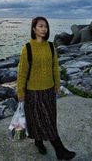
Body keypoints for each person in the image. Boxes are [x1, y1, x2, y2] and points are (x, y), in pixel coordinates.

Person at [17, 16, 76, 160]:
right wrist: (20, 92)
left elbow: (55, 68)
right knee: (39, 119)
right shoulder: (28, 48)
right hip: (33, 92)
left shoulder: (50, 46)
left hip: (49, 90)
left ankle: (39, 141)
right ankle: (59, 150)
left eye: (46, 26)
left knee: (49, 119)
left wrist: (57, 85)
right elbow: (22, 72)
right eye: (41, 26)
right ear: (33, 29)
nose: (44, 29)